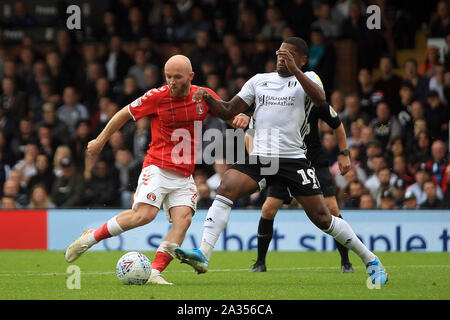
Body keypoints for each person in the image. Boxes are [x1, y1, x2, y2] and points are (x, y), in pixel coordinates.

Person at [174, 37, 388, 286]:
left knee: (323, 218)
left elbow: (321, 100)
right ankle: (203, 254)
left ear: (302, 60)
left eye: (289, 55)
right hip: (262, 158)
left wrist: (296, 71)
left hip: (293, 159)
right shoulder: (259, 81)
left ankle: (371, 260)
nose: (282, 58)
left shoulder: (310, 79)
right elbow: (228, 110)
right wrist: (207, 98)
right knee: (226, 187)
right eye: (279, 54)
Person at [64, 55, 231, 286]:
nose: (171, 81)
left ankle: (154, 272)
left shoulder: (203, 96)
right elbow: (124, 113)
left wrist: (240, 116)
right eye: (168, 76)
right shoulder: (157, 97)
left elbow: (227, 111)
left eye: (177, 77)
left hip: (184, 174)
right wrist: (101, 140)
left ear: (190, 77)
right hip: (158, 167)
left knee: (183, 220)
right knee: (145, 215)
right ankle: (90, 238)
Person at [232, 100, 354, 273]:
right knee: (268, 209)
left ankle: (346, 262)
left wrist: (344, 153)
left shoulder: (314, 101)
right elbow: (249, 134)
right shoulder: (274, 101)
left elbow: (337, 124)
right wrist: (257, 159)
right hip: (284, 162)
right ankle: (260, 263)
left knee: (332, 208)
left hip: (314, 162)